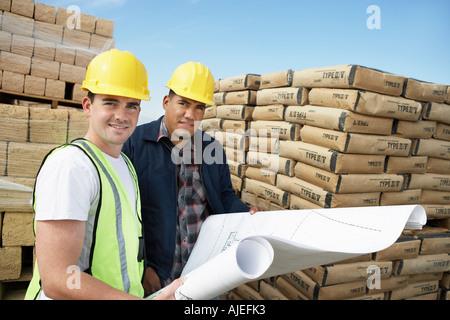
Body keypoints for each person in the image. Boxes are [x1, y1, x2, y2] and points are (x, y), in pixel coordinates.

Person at [24, 49, 183, 300]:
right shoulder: (71, 166)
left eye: (132, 105)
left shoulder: (125, 165)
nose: (122, 115)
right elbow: (57, 278)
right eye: (110, 103)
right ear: (88, 105)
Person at [122, 61, 259, 296]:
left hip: (203, 271)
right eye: (183, 103)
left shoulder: (211, 148)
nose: (190, 114)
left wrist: (245, 214)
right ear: (166, 102)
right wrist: (142, 266)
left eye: (199, 107)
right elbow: (124, 215)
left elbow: (224, 195)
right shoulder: (135, 144)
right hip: (157, 274)